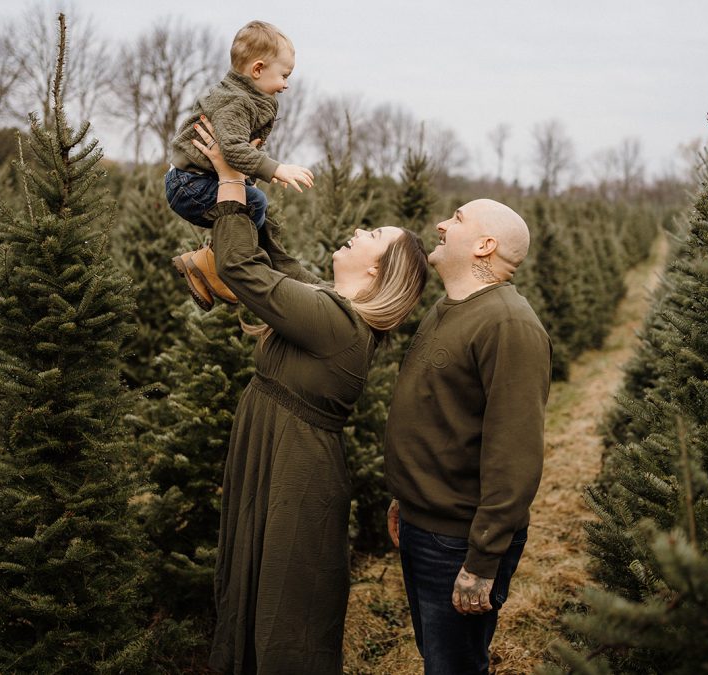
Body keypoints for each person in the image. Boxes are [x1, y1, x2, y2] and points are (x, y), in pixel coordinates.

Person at [173, 117, 428, 674]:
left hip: (297, 468)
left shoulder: (338, 323)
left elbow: (242, 268)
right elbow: (273, 258)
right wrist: (238, 170)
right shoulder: (327, 302)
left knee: (288, 608)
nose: (359, 232)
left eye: (374, 237)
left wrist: (231, 183)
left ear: (380, 270)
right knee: (252, 585)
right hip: (272, 451)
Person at [384, 199, 552, 674]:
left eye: (456, 219)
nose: (440, 224)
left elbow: (514, 455)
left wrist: (482, 561)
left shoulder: (509, 325)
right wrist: (407, 501)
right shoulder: (446, 310)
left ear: (484, 245)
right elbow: (440, 420)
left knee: (454, 666)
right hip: (424, 524)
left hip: (459, 541)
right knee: (436, 657)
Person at [165, 20, 313, 241]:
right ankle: (235, 258)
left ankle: (243, 254)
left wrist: (253, 173)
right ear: (258, 69)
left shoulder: (245, 97)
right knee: (256, 203)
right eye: (284, 76)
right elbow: (233, 149)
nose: (286, 85)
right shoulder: (235, 101)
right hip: (189, 184)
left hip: (200, 180)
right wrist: (276, 168)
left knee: (259, 210)